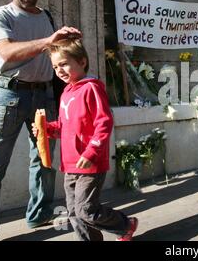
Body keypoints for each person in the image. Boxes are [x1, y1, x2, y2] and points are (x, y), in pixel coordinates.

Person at [0, 0, 82, 241]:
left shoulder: (46, 16)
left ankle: (39, 214)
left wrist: (68, 43)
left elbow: (57, 55)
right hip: (10, 96)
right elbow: (6, 53)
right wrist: (49, 40)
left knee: (44, 161)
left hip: (44, 95)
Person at [33, 39, 138, 241]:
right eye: (55, 66)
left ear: (82, 62)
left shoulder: (91, 88)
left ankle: (125, 224)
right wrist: (46, 129)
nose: (59, 70)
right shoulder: (66, 93)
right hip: (70, 164)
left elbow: (104, 122)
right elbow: (64, 128)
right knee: (74, 213)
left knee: (86, 210)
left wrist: (91, 152)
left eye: (64, 63)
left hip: (91, 163)